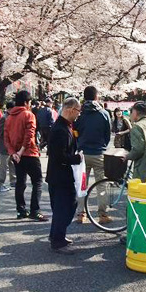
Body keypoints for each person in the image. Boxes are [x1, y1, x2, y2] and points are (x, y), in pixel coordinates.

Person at [46, 98, 83, 255]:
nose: (78, 115)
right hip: (59, 175)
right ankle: (58, 241)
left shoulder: (64, 126)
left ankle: (56, 235)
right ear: (69, 109)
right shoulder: (60, 129)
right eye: (77, 111)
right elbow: (58, 156)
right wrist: (76, 158)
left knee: (65, 206)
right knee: (64, 207)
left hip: (60, 174)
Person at [4, 90, 48, 221]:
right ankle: (35, 210)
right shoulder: (28, 115)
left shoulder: (9, 117)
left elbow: (6, 138)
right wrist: (21, 151)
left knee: (20, 182)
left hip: (17, 156)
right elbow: (30, 135)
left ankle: (21, 210)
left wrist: (13, 153)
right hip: (29, 153)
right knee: (37, 181)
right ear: (25, 102)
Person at [74, 86, 111, 224]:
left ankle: (80, 214)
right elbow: (108, 134)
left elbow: (75, 131)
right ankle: (103, 215)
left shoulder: (80, 113)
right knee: (101, 184)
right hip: (99, 152)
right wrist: (103, 145)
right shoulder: (104, 113)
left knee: (82, 184)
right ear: (96, 96)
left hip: (83, 153)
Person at [0, 101, 17, 192]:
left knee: (11, 163)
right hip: (4, 145)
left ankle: (13, 181)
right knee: (3, 165)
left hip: (11, 145)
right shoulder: (4, 118)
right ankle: (0, 184)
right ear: (10, 109)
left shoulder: (12, 117)